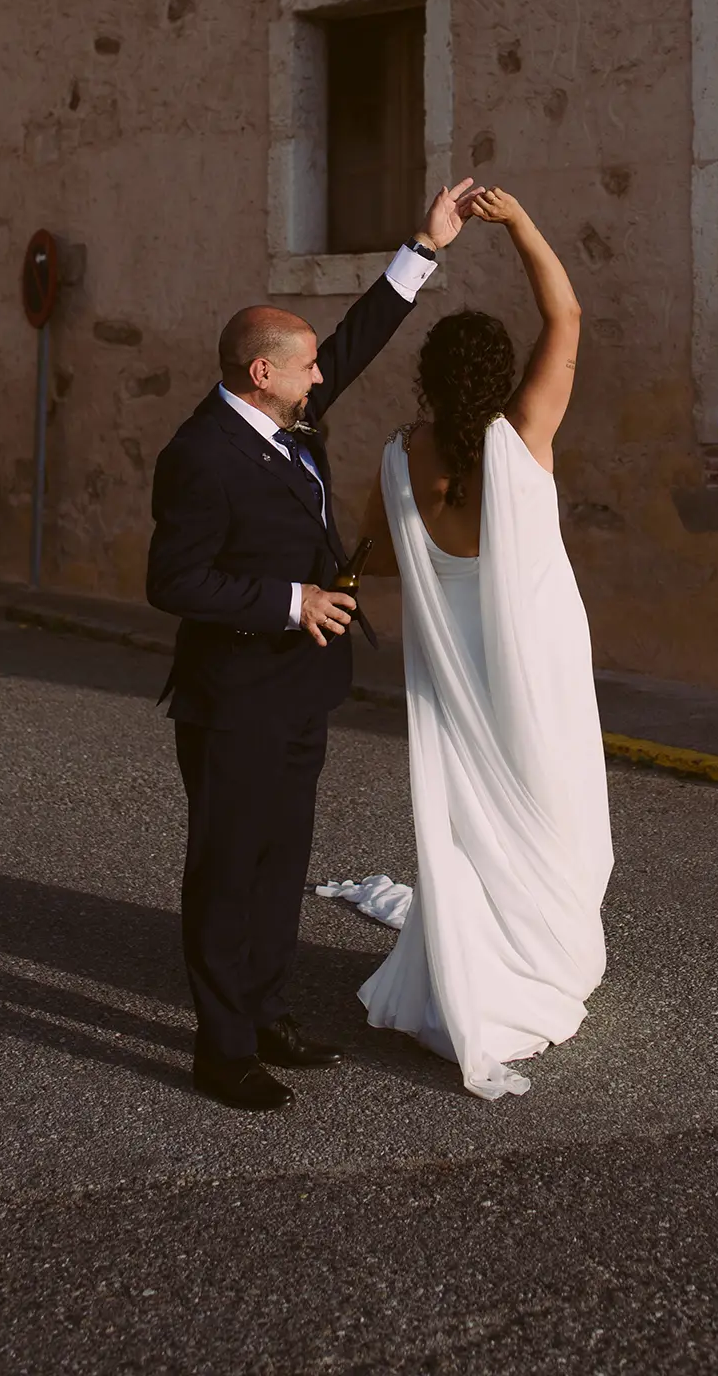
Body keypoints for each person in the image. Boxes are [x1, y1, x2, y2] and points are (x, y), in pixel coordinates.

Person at [146, 179, 480, 1112]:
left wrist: (424, 247)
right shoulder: (200, 454)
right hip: (234, 698)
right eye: (304, 371)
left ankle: (263, 1015)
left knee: (281, 863)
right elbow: (172, 582)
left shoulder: (285, 417)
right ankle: (221, 1052)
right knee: (228, 872)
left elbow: (350, 345)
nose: (320, 379)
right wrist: (292, 601)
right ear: (263, 373)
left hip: (299, 690)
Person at [353, 186, 613, 1100]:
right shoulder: (523, 434)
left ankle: (471, 966)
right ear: (501, 376)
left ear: (426, 379)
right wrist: (521, 225)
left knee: (471, 823)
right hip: (535, 667)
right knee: (554, 814)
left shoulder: (398, 457)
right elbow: (566, 315)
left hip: (454, 668)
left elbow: (372, 549)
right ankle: (535, 964)